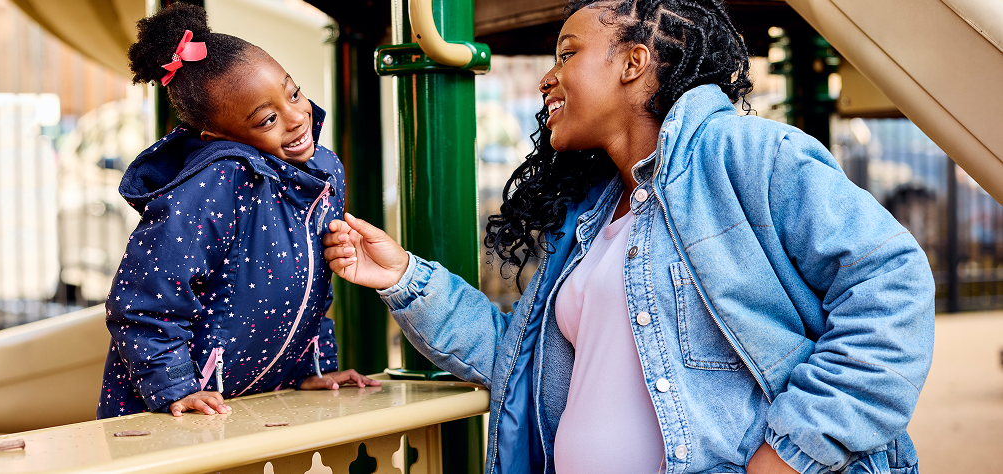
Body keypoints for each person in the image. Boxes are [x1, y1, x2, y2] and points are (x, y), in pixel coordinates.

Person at [323, 1, 934, 473]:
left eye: (567, 53)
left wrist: (787, 456)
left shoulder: (745, 154)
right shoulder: (592, 217)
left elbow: (892, 290)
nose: (547, 79)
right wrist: (404, 277)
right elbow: (520, 357)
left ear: (633, 63)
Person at [97, 2, 378, 420]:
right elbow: (143, 298)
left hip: (248, 405)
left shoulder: (323, 172)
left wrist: (312, 369)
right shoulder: (215, 185)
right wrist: (175, 387)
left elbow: (312, 291)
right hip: (166, 414)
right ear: (217, 136)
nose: (297, 117)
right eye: (267, 120)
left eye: (294, 92)